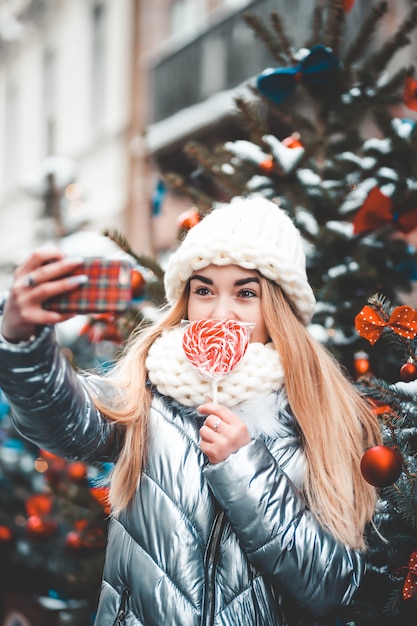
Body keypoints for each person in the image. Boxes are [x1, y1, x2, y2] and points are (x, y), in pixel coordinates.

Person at [0, 196, 381, 626]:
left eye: (246, 292)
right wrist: (23, 344)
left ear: (279, 308)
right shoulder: (148, 396)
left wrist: (245, 469)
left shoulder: (323, 419)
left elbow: (334, 588)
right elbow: (63, 419)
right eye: (204, 290)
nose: (220, 313)